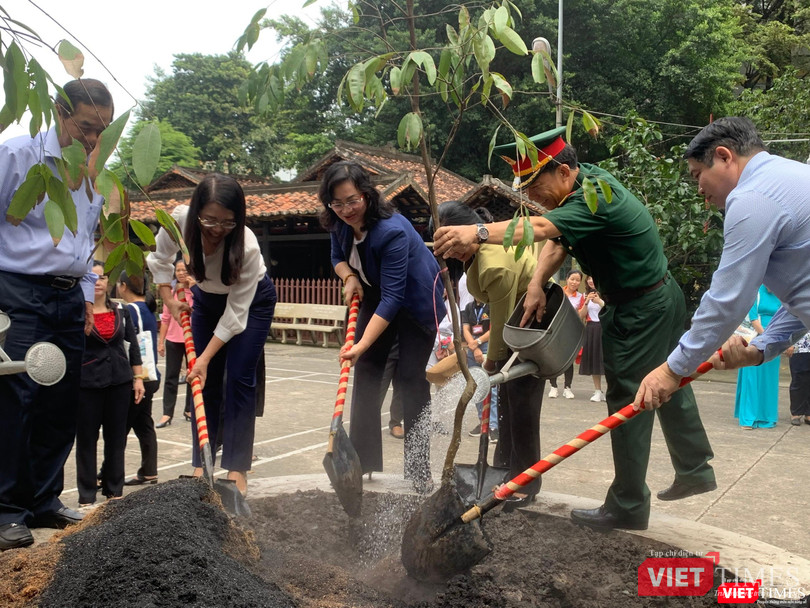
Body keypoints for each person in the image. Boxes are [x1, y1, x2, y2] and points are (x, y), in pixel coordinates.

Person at [433, 126, 716, 530]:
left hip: (640, 309)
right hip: (656, 297)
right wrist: (536, 283)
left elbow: (544, 229)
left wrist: (477, 231)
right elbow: (560, 239)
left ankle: (629, 505)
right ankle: (695, 467)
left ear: (564, 172)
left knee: (628, 399)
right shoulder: (586, 182)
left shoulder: (594, 198)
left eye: (535, 185)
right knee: (668, 380)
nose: (531, 197)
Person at [0, 79, 114, 550]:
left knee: (59, 401)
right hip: (17, 292)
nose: (92, 139)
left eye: (103, 130)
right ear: (59, 112)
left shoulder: (95, 175)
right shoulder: (16, 157)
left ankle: (45, 499)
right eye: (87, 127)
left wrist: (87, 295)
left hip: (69, 298)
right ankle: (7, 510)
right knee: (15, 401)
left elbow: (86, 243)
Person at [635, 117, 810, 417]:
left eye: (697, 175)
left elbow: (727, 300)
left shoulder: (753, 197)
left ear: (724, 156)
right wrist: (760, 349)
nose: (699, 190)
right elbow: (802, 298)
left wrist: (672, 369)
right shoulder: (792, 176)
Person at [148, 174, 277, 497]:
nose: (217, 229)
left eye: (227, 222)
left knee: (239, 378)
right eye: (209, 219)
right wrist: (169, 299)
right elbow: (160, 259)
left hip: (251, 303)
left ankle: (236, 468)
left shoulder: (246, 246)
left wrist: (204, 358)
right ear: (195, 212)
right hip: (206, 299)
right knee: (202, 382)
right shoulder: (177, 222)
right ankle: (201, 461)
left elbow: (235, 315)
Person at [319, 161, 443, 494]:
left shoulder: (393, 231)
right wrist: (348, 276)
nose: (346, 209)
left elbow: (394, 298)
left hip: (415, 304)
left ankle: (419, 471)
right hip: (377, 296)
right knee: (368, 372)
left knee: (411, 381)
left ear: (368, 195)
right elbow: (335, 256)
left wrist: (359, 344)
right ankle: (361, 463)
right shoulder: (340, 224)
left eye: (352, 200)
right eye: (337, 203)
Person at [435, 200, 542, 508]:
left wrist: (489, 363)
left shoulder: (494, 264)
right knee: (507, 403)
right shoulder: (481, 250)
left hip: (528, 330)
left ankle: (527, 482)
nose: (451, 254)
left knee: (521, 407)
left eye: (452, 246)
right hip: (514, 326)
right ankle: (505, 469)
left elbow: (502, 320)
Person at [75, 263, 145, 507]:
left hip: (119, 381)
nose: (97, 281)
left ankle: (114, 490)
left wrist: (138, 378)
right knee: (86, 439)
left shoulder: (121, 311)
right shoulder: (77, 313)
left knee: (116, 439)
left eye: (102, 277)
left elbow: (132, 346)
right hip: (87, 382)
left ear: (109, 282)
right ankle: (86, 495)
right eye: (91, 277)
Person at [117, 271, 161, 485]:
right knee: (144, 424)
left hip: (138, 376)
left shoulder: (130, 310)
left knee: (120, 426)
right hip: (150, 375)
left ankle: (109, 472)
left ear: (123, 286)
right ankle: (149, 471)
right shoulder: (148, 309)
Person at [734, 285, 781, 429]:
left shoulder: (781, 293)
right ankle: (748, 418)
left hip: (775, 339)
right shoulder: (755, 291)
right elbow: (753, 319)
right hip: (757, 339)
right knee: (752, 377)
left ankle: (767, 416)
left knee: (769, 379)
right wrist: (767, 338)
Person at [156, 260, 194, 427]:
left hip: (192, 339)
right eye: (178, 270)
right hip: (173, 339)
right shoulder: (170, 293)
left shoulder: (196, 292)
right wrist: (161, 342)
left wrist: (194, 289)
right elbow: (165, 318)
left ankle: (189, 409)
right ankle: (167, 413)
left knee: (192, 376)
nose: (180, 273)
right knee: (171, 377)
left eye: (184, 270)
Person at [461, 297, 500, 443]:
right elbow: (466, 328)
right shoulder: (469, 307)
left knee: (491, 387)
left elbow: (494, 328)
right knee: (476, 386)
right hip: (472, 347)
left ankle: (493, 426)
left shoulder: (491, 306)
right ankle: (482, 421)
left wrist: (477, 343)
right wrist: (473, 345)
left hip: (487, 345)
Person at [548, 269, 585, 399]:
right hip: (556, 331)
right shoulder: (558, 293)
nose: (574, 282)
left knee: (568, 361)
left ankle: (567, 387)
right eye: (572, 279)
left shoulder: (581, 297)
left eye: (577, 280)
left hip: (570, 332)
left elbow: (581, 316)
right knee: (553, 359)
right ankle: (553, 386)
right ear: (567, 279)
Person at [579, 276, 606, 402]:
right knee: (595, 359)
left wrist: (599, 301)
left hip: (605, 328)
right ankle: (597, 390)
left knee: (606, 360)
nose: (590, 281)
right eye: (589, 279)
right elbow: (581, 315)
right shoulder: (585, 295)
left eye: (593, 278)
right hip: (591, 328)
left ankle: (610, 391)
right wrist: (586, 302)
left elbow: (611, 310)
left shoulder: (607, 292)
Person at [787, 331, 810, 426]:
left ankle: (808, 413)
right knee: (798, 379)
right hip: (799, 347)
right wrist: (789, 344)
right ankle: (796, 413)